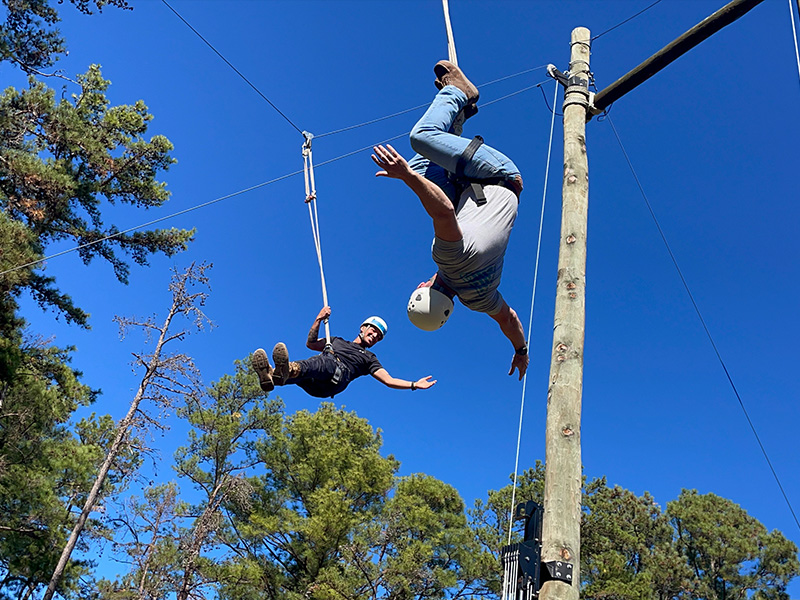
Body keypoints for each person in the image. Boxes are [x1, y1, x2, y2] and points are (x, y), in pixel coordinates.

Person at [371, 60, 529, 379]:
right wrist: (405, 178)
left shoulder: (480, 300)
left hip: (476, 191)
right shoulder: (447, 257)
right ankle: (458, 92)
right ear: (423, 288)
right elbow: (442, 210)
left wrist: (521, 350)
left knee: (420, 164)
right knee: (421, 139)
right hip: (497, 175)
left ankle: (457, 115)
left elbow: (509, 320)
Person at [252, 306, 436, 398]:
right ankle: (273, 376)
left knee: (324, 361)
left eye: (378, 337)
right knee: (312, 366)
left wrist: (414, 384)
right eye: (373, 331)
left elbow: (389, 380)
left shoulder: (369, 358)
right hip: (315, 384)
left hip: (336, 379)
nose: (374, 336)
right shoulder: (336, 340)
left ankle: (287, 371)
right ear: (363, 328)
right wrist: (319, 319)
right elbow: (311, 343)